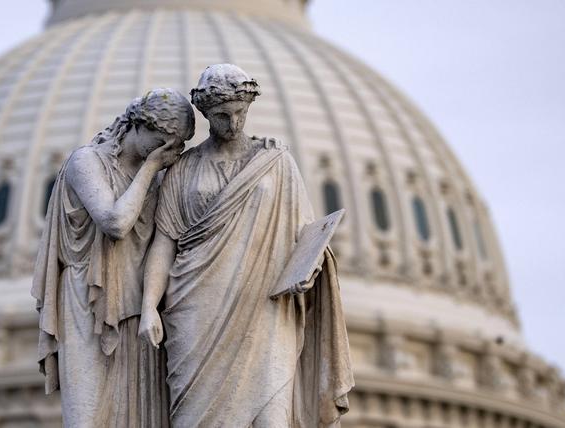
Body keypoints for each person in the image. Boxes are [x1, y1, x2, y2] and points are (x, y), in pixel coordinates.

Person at [139, 65, 354, 427]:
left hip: (265, 307)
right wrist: (148, 308)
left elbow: (307, 237)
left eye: (240, 112)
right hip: (195, 308)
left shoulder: (276, 163)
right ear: (206, 113)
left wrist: (310, 268)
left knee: (271, 417)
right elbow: (164, 242)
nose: (233, 123)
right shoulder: (182, 169)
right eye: (222, 116)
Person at [32, 88, 194, 427]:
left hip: (139, 301)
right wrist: (151, 167)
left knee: (139, 414)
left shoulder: (160, 176)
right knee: (89, 416)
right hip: (87, 298)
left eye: (177, 145)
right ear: (140, 125)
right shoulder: (86, 162)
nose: (169, 152)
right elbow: (115, 223)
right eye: (163, 141)